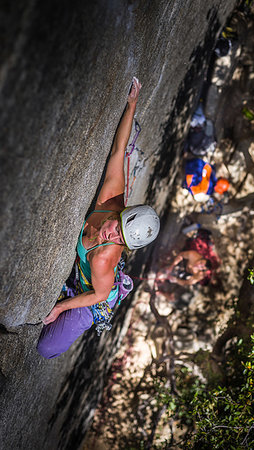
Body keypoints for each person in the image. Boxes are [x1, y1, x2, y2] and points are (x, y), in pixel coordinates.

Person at [37, 78, 160, 359]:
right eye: (118, 229)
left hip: (93, 297)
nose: (113, 237)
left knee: (46, 348)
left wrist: (61, 307)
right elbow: (119, 151)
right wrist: (132, 105)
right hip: (90, 274)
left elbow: (99, 296)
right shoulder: (110, 199)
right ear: (121, 213)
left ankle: (69, 305)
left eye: (121, 241)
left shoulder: (105, 257)